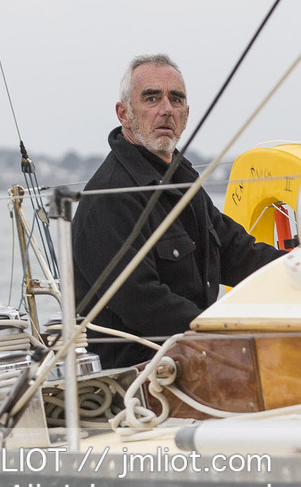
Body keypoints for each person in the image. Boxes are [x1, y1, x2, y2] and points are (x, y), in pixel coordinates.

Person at [71, 53, 283, 367]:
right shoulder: (110, 196)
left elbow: (238, 254)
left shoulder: (182, 182)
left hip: (194, 356)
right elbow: (142, 302)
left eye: (176, 99)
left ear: (186, 114)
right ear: (124, 114)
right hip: (137, 379)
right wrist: (225, 335)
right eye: (151, 98)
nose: (166, 109)